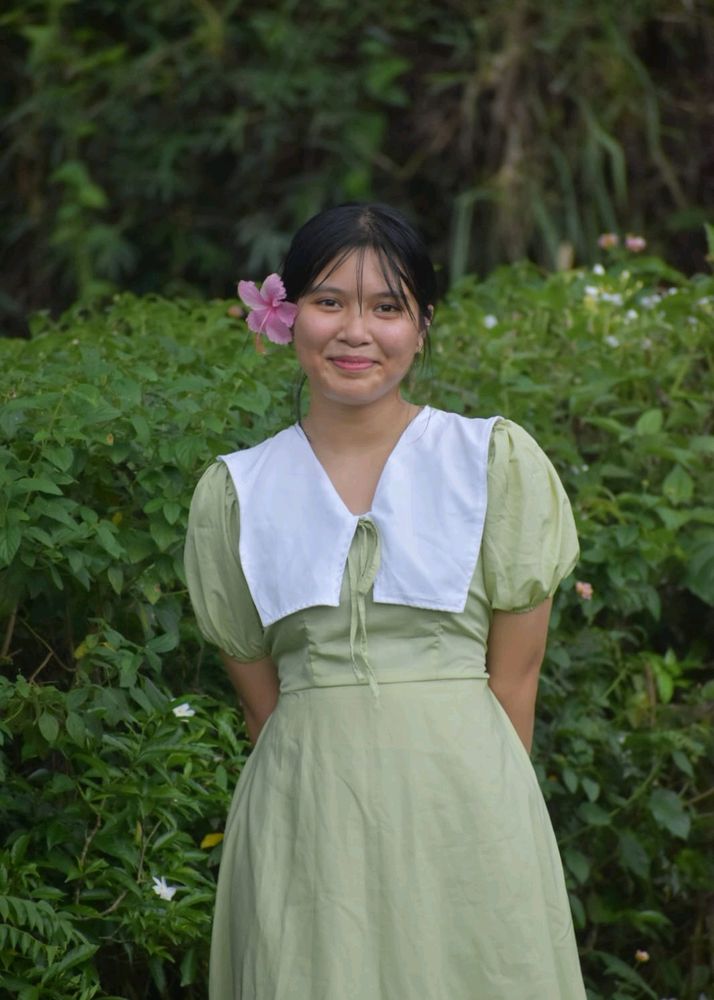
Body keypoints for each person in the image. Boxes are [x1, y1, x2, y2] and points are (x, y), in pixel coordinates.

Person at [184, 203, 587, 999]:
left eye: (387, 306)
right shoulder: (235, 492)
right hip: (305, 817)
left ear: (423, 326)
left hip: (467, 810)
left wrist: (491, 825)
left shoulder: (492, 460)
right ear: (286, 318)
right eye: (330, 302)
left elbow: (514, 683)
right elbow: (267, 709)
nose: (355, 331)